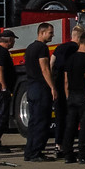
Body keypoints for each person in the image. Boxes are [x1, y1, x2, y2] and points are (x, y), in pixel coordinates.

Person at [55, 29, 85, 163]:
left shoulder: (70, 59)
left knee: (70, 126)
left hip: (72, 96)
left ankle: (68, 154)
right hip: (84, 97)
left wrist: (68, 96)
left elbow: (65, 81)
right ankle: (83, 154)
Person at [21, 23, 57, 160]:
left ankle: (29, 151)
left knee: (33, 121)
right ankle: (36, 152)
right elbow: (45, 69)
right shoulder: (42, 48)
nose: (52, 35)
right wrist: (52, 87)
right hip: (41, 88)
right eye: (50, 32)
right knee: (42, 121)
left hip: (31, 87)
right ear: (41, 33)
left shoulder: (30, 48)